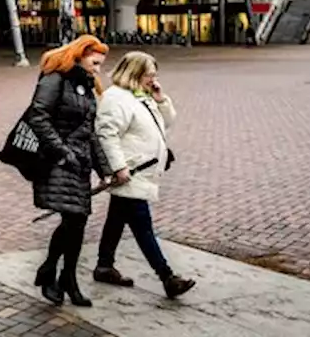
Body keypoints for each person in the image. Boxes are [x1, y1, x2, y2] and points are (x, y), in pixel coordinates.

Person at [93, 51, 196, 298]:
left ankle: (104, 265)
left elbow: (166, 123)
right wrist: (118, 167)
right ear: (135, 73)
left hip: (141, 170)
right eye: (149, 74)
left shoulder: (141, 95)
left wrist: (161, 99)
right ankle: (166, 276)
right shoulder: (116, 97)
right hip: (131, 171)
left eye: (154, 74)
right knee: (142, 225)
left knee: (117, 220)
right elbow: (106, 134)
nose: (153, 79)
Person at [25, 34, 112, 307]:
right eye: (95, 63)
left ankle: (62, 275)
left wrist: (104, 168)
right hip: (58, 162)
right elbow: (37, 116)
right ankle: (56, 273)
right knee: (74, 219)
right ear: (80, 54)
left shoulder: (85, 85)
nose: (98, 69)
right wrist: (62, 152)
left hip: (79, 162)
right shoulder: (56, 78)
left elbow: (90, 132)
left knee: (77, 222)